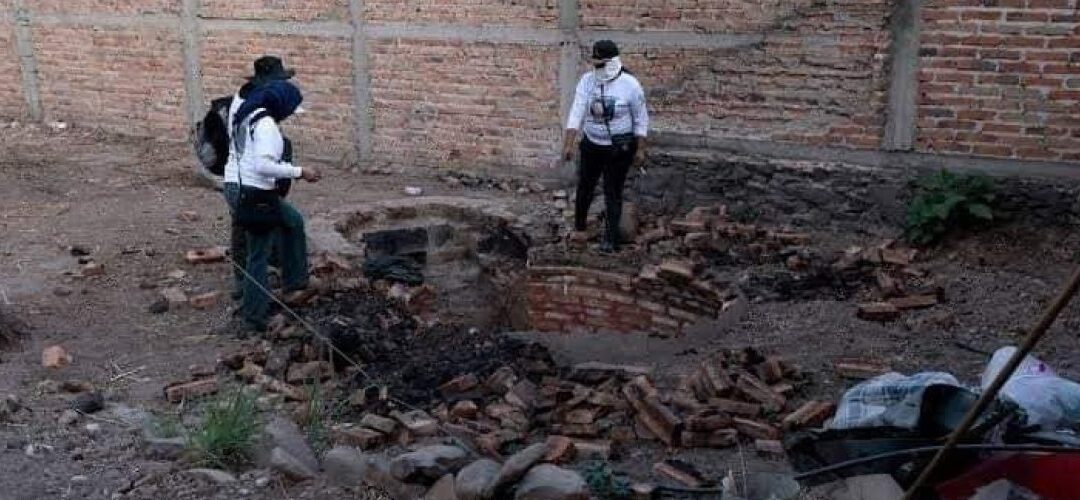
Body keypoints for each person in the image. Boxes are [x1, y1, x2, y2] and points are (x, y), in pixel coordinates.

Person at [224, 79, 321, 336]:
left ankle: (295, 283)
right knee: (259, 254)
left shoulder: (250, 113)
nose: (289, 115)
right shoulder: (265, 125)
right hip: (256, 194)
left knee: (292, 221)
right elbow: (263, 166)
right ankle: (255, 316)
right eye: (289, 109)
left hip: (246, 189)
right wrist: (301, 172)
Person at [562, 40, 649, 254]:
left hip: (618, 148)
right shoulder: (587, 81)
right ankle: (579, 227)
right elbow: (577, 111)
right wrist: (569, 143)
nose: (596, 68)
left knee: (612, 191)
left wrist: (640, 148)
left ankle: (610, 240)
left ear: (612, 62)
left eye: (601, 64)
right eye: (595, 64)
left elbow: (641, 119)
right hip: (592, 144)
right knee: (585, 186)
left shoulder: (630, 85)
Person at [222, 56, 296, 302]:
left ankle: (249, 283)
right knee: (255, 240)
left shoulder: (246, 98)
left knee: (246, 229)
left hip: (239, 176)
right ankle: (252, 295)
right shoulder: (256, 108)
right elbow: (263, 161)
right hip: (249, 181)